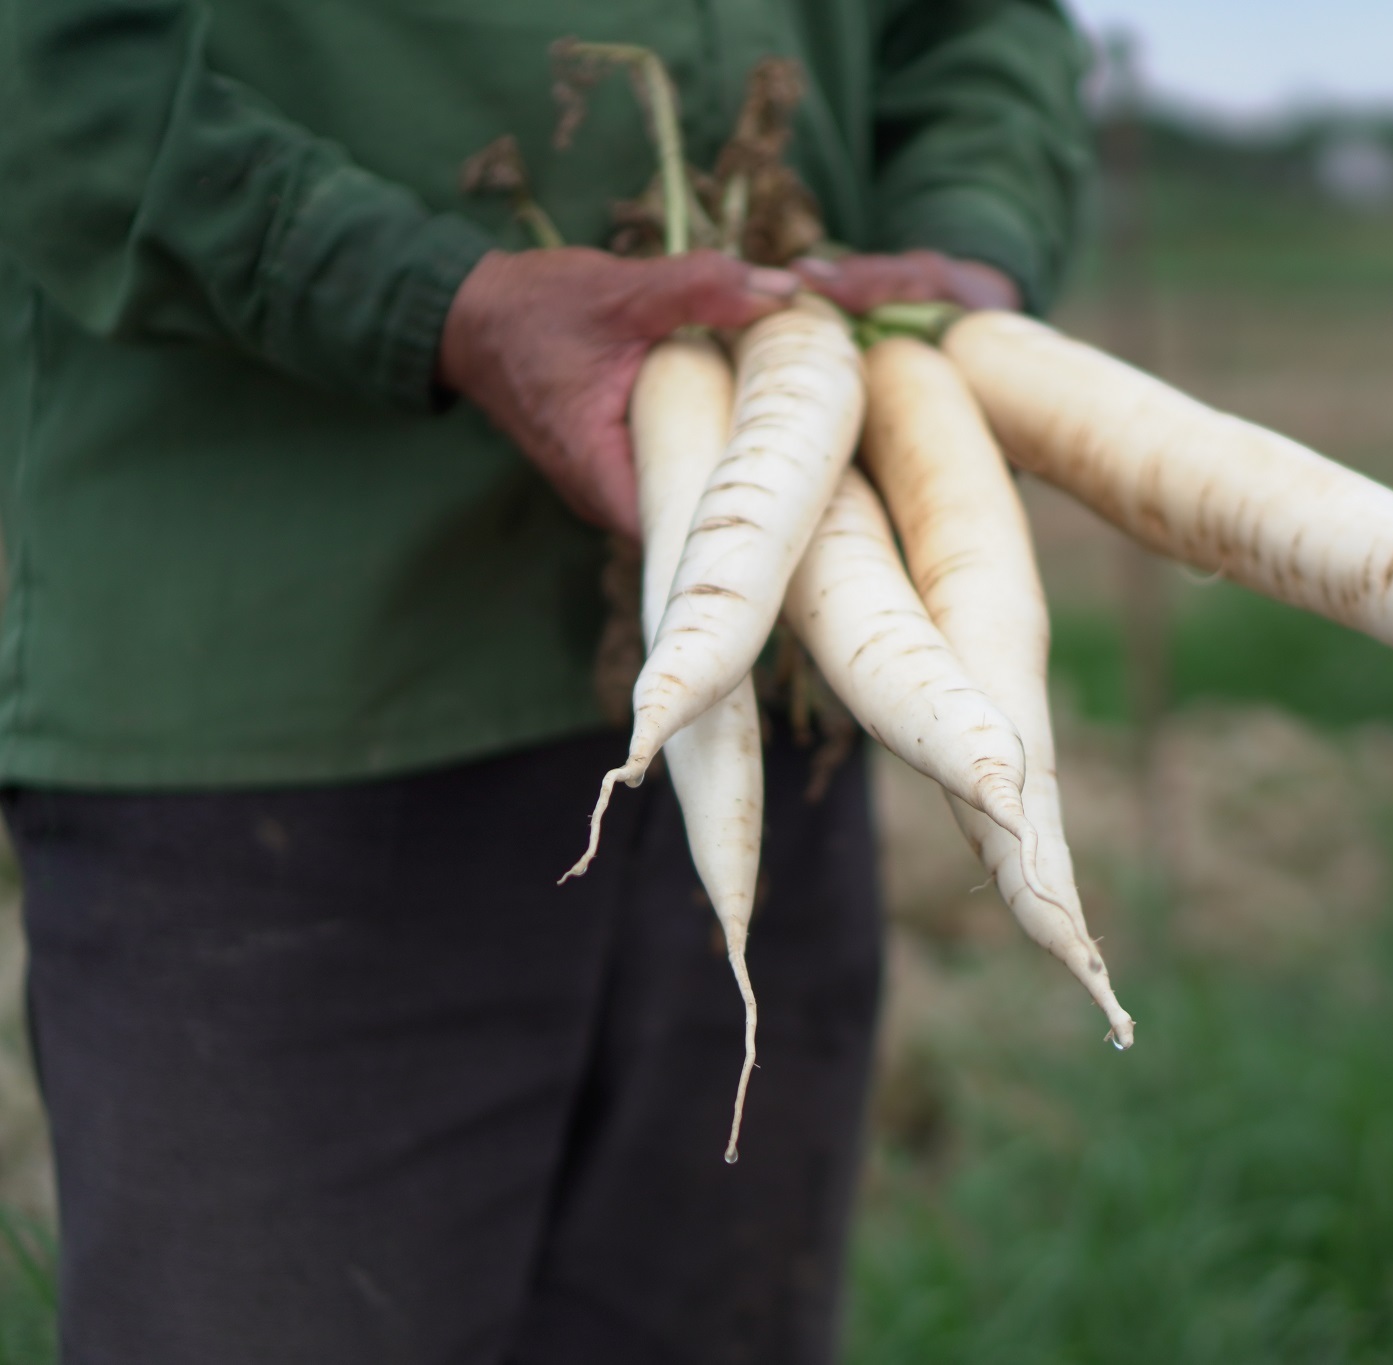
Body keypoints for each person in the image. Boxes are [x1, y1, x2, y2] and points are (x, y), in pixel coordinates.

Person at [0, 0, 1089, 1359]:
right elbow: (52, 75)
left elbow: (982, 28)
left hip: (785, 691)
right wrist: (426, 298)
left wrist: (972, 229)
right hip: (274, 717)